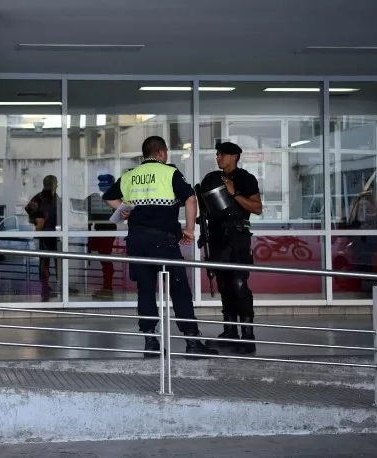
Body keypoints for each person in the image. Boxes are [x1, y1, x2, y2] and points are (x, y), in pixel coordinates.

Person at [102, 136, 217, 357]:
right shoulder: (169, 172)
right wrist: (190, 229)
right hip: (163, 242)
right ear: (161, 153)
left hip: (137, 242)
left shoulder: (129, 175)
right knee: (179, 289)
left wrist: (126, 210)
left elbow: (109, 197)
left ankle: (150, 342)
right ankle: (192, 341)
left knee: (145, 290)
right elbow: (190, 199)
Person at [200, 142, 263, 355]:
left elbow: (257, 208)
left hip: (237, 238)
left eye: (223, 154)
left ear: (235, 156)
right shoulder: (213, 179)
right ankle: (230, 332)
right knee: (225, 286)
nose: (218, 157)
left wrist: (234, 192)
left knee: (238, 284)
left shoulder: (245, 178)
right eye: (217, 154)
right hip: (218, 239)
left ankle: (247, 335)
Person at [25, 175, 61, 301]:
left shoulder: (55, 197)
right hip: (45, 235)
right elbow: (29, 209)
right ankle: (45, 288)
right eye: (55, 183)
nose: (57, 185)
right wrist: (37, 220)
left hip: (56, 234)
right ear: (48, 184)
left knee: (57, 262)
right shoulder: (40, 197)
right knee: (44, 263)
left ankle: (56, 287)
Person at [85, 173, 117, 299]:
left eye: (101, 183)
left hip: (106, 231)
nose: (98, 185)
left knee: (106, 260)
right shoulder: (102, 197)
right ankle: (107, 288)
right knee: (105, 260)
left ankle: (108, 288)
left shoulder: (110, 198)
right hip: (101, 231)